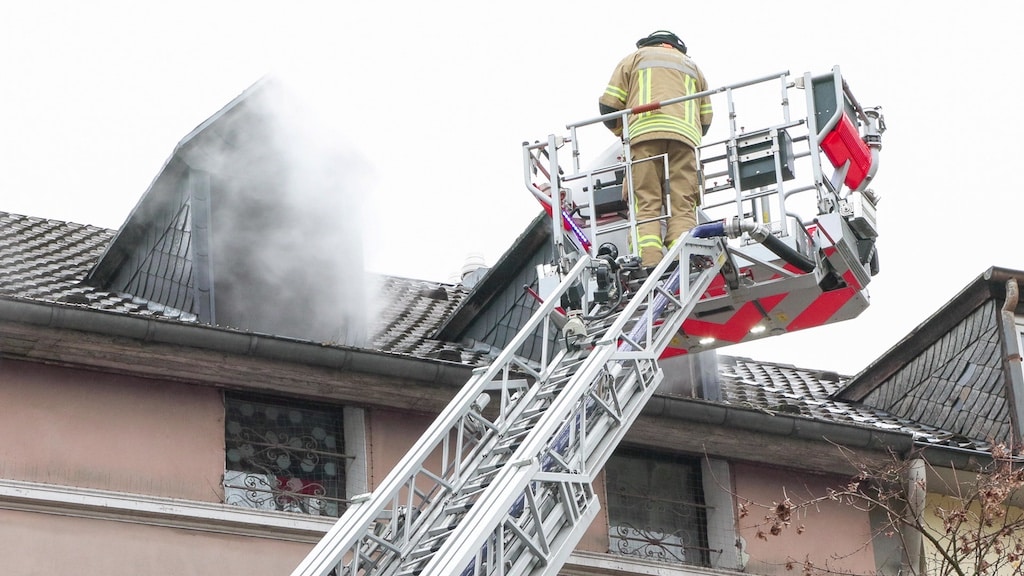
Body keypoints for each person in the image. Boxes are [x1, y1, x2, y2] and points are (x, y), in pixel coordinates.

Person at [598, 30, 713, 272]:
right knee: (683, 204)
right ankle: (683, 254)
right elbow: (705, 120)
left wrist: (623, 132)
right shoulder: (693, 68)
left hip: (645, 137)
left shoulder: (635, 58)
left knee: (646, 202)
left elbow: (609, 105)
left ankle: (649, 261)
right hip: (684, 142)